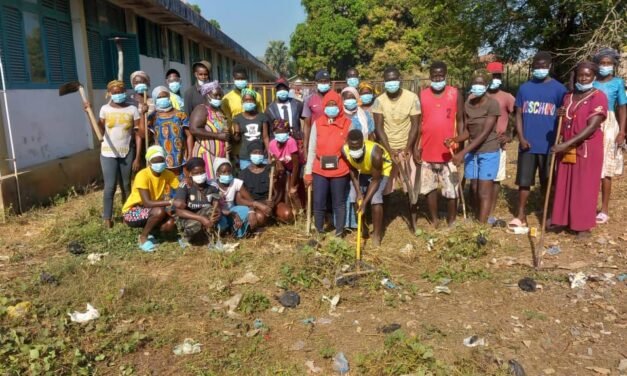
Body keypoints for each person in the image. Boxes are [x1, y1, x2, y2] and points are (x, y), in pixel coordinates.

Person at [510, 51, 567, 229]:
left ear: (550, 66)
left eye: (544, 66)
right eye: (537, 66)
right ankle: (520, 215)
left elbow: (565, 116)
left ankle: (548, 214)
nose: (540, 69)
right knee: (524, 182)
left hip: (549, 145)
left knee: (548, 181)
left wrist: (562, 116)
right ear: (532, 66)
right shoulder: (525, 88)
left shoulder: (559, 89)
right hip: (527, 144)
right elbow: (518, 114)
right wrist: (521, 137)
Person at [551, 61, 608, 238]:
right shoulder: (568, 96)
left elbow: (592, 126)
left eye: (587, 75)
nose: (583, 78)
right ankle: (562, 219)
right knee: (565, 182)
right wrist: (560, 114)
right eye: (580, 75)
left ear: (594, 77)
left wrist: (567, 144)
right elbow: (566, 119)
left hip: (587, 149)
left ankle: (582, 225)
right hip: (567, 146)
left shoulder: (598, 97)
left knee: (584, 185)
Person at [371, 66, 421, 232]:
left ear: (399, 79)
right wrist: (389, 150)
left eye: (394, 79)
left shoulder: (412, 98)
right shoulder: (379, 101)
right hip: (387, 148)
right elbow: (379, 128)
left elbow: (415, 124)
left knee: (411, 186)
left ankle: (413, 223)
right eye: (388, 80)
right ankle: (384, 219)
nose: (391, 83)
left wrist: (409, 148)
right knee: (385, 187)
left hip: (407, 147)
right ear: (384, 82)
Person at [448, 70, 500, 223]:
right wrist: (454, 139)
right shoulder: (468, 104)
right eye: (475, 84)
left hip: (488, 151)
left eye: (481, 84)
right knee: (474, 188)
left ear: (487, 86)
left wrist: (462, 153)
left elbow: (484, 134)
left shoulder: (492, 104)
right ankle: (478, 217)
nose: (477, 87)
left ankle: (481, 227)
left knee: (484, 191)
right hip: (473, 152)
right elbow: (468, 132)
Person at [418, 61, 464, 227]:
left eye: (441, 75)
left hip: (449, 152)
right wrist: (417, 146)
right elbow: (418, 122)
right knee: (429, 188)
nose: (437, 78)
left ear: (445, 75)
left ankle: (451, 221)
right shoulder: (422, 95)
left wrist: (460, 147)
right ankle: (435, 219)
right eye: (434, 75)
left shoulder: (455, 93)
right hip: (427, 150)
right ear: (430, 76)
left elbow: (460, 121)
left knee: (451, 189)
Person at [95, 80, 142, 229]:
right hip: (108, 153)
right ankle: (107, 218)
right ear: (109, 93)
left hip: (126, 151)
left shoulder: (132, 109)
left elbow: (138, 134)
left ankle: (128, 214)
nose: (118, 95)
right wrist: (92, 116)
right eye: (114, 93)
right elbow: (100, 131)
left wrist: (137, 157)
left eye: (120, 92)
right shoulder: (104, 109)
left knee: (127, 185)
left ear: (125, 91)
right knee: (110, 186)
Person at [304, 91, 351, 236]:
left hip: (340, 169)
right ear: (324, 106)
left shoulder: (347, 124)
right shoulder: (318, 123)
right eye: (328, 105)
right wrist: (308, 172)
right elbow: (311, 149)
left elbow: (351, 150)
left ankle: (339, 232)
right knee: (318, 202)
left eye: (334, 104)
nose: (331, 108)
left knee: (339, 202)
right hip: (319, 170)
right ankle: (319, 230)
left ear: (339, 105)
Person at [122, 145, 179, 252]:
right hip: (132, 212)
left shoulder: (168, 174)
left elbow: (179, 188)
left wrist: (186, 184)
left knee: (170, 223)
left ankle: (152, 233)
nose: (159, 164)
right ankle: (143, 237)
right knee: (159, 211)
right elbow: (147, 203)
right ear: (149, 162)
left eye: (161, 160)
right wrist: (171, 202)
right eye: (155, 161)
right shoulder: (142, 175)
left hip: (151, 210)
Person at [592, 48, 627, 224]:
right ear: (597, 65)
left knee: (606, 170)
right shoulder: (591, 81)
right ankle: (588, 205)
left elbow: (622, 107)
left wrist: (622, 131)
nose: (605, 66)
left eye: (608, 63)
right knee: (590, 167)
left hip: (610, 125)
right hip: (591, 124)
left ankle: (604, 209)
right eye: (602, 63)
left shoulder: (618, 83)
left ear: (613, 65)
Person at [342, 129, 393, 246]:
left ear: (363, 143)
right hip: (363, 169)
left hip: (381, 170)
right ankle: (363, 229)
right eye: (352, 147)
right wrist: (359, 193)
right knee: (356, 197)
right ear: (347, 143)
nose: (354, 150)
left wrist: (365, 202)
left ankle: (377, 235)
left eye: (357, 147)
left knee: (375, 199)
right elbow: (353, 170)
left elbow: (375, 180)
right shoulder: (344, 150)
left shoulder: (375, 153)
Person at [486, 61, 516, 222]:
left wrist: (511, 135)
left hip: (498, 145)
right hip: (480, 144)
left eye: (498, 76)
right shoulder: (478, 95)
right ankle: (478, 209)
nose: (495, 79)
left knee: (495, 179)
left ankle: (490, 211)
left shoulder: (507, 97)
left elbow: (518, 115)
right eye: (492, 76)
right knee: (479, 179)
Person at [144, 86, 193, 177]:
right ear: (155, 99)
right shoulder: (153, 117)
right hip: (161, 158)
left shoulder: (180, 114)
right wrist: (143, 114)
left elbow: (189, 135)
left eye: (165, 96)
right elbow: (145, 135)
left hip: (181, 157)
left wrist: (190, 154)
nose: (163, 99)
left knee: (181, 184)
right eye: (159, 97)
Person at [173, 157, 221, 244]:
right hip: (188, 218)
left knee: (212, 211)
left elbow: (216, 205)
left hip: (204, 215)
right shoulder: (185, 186)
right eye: (196, 173)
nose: (200, 175)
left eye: (202, 172)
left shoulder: (213, 185)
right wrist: (201, 219)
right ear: (190, 173)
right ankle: (186, 238)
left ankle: (210, 234)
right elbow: (179, 211)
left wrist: (218, 213)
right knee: (196, 224)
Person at [212, 158, 263, 238]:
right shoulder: (213, 185)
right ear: (218, 174)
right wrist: (232, 214)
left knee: (249, 212)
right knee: (220, 222)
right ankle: (226, 233)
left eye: (229, 171)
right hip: (220, 213)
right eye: (224, 172)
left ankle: (242, 231)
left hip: (233, 209)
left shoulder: (236, 182)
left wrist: (251, 212)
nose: (227, 174)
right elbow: (212, 208)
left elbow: (250, 200)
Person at [221, 64, 265, 159]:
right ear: (233, 79)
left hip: (255, 143)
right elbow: (226, 122)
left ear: (247, 79)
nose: (240, 81)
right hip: (237, 144)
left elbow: (262, 117)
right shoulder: (226, 99)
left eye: (243, 79)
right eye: (238, 79)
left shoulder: (256, 96)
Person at [189, 81, 230, 180]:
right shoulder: (201, 109)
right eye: (216, 95)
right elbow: (194, 129)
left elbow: (224, 133)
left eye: (221, 95)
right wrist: (218, 136)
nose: (219, 98)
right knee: (208, 183)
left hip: (220, 157)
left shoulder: (220, 111)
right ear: (207, 95)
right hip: (206, 155)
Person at [268, 118, 304, 210]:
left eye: (284, 132)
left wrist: (292, 185)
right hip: (284, 166)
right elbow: (274, 156)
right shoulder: (272, 144)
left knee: (292, 191)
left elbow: (296, 165)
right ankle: (283, 207)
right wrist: (278, 162)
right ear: (274, 132)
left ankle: (300, 212)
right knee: (280, 186)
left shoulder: (291, 142)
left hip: (296, 167)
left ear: (288, 132)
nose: (281, 134)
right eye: (278, 132)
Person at [238, 140, 275, 227]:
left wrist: (274, 200)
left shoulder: (270, 169)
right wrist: (252, 208)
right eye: (255, 152)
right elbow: (240, 199)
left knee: (287, 214)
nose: (258, 155)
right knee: (260, 217)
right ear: (250, 155)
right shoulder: (243, 174)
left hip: (270, 203)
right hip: (255, 206)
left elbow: (279, 190)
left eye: (260, 152)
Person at [232, 88, 270, 169]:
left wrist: (269, 154)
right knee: (247, 179)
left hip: (261, 155)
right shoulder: (237, 118)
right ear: (242, 102)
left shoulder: (262, 117)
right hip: (245, 156)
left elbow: (265, 137)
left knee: (263, 178)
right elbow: (237, 138)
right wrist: (235, 135)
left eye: (251, 100)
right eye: (246, 100)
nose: (248, 102)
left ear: (255, 102)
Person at [265, 78, 304, 145]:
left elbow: (306, 121)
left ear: (288, 89)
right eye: (279, 89)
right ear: (276, 90)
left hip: (296, 142)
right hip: (278, 143)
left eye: (284, 88)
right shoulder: (270, 109)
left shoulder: (297, 104)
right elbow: (268, 130)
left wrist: (302, 135)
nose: (282, 91)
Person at [303, 69, 332, 150]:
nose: (323, 83)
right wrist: (305, 147)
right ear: (316, 82)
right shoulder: (309, 99)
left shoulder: (335, 97)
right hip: (315, 138)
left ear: (329, 82)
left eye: (326, 81)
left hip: (332, 138)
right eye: (321, 81)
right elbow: (307, 125)